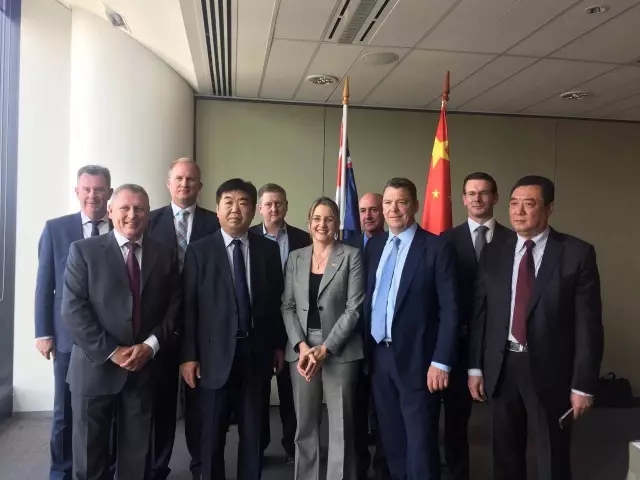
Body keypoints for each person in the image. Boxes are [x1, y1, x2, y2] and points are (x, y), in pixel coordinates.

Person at [468, 175, 604, 480]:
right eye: (514, 203)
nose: (518, 211)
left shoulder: (576, 253)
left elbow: (589, 325)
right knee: (505, 454)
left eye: (528, 204)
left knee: (552, 455)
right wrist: (475, 367)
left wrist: (583, 384)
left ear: (549, 208)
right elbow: (481, 314)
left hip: (551, 370)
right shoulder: (495, 250)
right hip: (502, 366)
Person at [61, 184, 181, 480]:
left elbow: (174, 307)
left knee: (135, 460)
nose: (132, 215)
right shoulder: (83, 251)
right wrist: (112, 352)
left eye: (139, 209)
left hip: (143, 370)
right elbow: (74, 311)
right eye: (125, 208)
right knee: (89, 460)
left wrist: (150, 346)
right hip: (94, 369)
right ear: (110, 211)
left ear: (149, 214)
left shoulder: (165, 254)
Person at [180, 178, 286, 480]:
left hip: (256, 353)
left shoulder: (267, 250)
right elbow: (189, 308)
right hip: (213, 357)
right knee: (212, 432)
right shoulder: (199, 251)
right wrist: (188, 356)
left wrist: (278, 345)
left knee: (254, 432)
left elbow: (275, 302)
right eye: (228, 202)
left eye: (242, 203)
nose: (235, 209)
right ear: (217, 209)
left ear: (253, 210)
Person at [363, 177, 459, 480]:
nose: (393, 209)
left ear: (415, 205)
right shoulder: (374, 245)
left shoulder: (436, 247)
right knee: (392, 439)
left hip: (420, 360)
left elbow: (450, 310)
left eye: (401, 202)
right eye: (388, 203)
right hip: (379, 357)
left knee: (420, 442)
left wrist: (441, 361)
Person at [35, 165, 113, 480]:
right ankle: (61, 472)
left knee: (108, 411)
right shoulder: (56, 229)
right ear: (77, 192)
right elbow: (45, 284)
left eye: (99, 189)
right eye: (87, 189)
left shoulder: (123, 225)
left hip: (112, 338)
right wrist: (43, 332)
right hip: (68, 338)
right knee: (65, 411)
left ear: (109, 192)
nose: (93, 195)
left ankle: (106, 469)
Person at [146, 158, 220, 480]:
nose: (185, 184)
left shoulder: (215, 222)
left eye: (191, 179)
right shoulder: (149, 221)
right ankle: (157, 468)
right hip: (159, 327)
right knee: (160, 406)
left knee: (199, 407)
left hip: (201, 329)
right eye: (179, 178)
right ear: (168, 183)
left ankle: (201, 467)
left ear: (200, 186)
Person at [282, 197, 364, 480]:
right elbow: (287, 306)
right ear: (309, 223)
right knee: (305, 425)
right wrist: (302, 346)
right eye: (317, 218)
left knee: (341, 427)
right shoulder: (296, 257)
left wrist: (326, 348)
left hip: (340, 350)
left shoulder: (351, 255)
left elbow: (354, 309)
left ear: (337, 224)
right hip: (302, 351)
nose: (322, 224)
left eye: (329, 219)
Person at [440, 172, 510, 480]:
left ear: (495, 197)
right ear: (463, 199)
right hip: (459, 341)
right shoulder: (445, 240)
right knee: (456, 419)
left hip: (502, 344)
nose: (477, 198)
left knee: (505, 421)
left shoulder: (514, 239)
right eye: (471, 193)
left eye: (483, 193)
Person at [250, 182, 310, 465]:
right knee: (258, 392)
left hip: (295, 325)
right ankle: (258, 447)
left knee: (291, 391)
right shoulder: (247, 236)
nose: (274, 208)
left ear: (286, 206)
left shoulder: (303, 238)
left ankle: (292, 447)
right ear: (259, 208)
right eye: (268, 204)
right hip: (259, 326)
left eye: (279, 203)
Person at [343, 192, 390, 480]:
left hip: (382, 343)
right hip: (351, 342)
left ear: (383, 212)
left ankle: (384, 466)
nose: (368, 215)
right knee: (355, 411)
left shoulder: (393, 243)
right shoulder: (346, 246)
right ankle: (358, 467)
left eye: (374, 209)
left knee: (385, 411)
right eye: (362, 210)